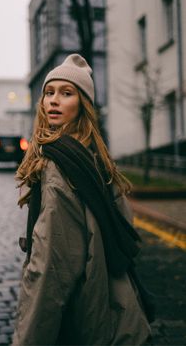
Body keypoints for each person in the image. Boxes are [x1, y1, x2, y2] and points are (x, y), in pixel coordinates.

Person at [12, 54, 153, 346]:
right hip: (118, 306)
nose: (54, 100)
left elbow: (51, 265)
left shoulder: (57, 166)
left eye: (66, 93)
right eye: (49, 93)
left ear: (83, 104)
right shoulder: (94, 156)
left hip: (86, 312)